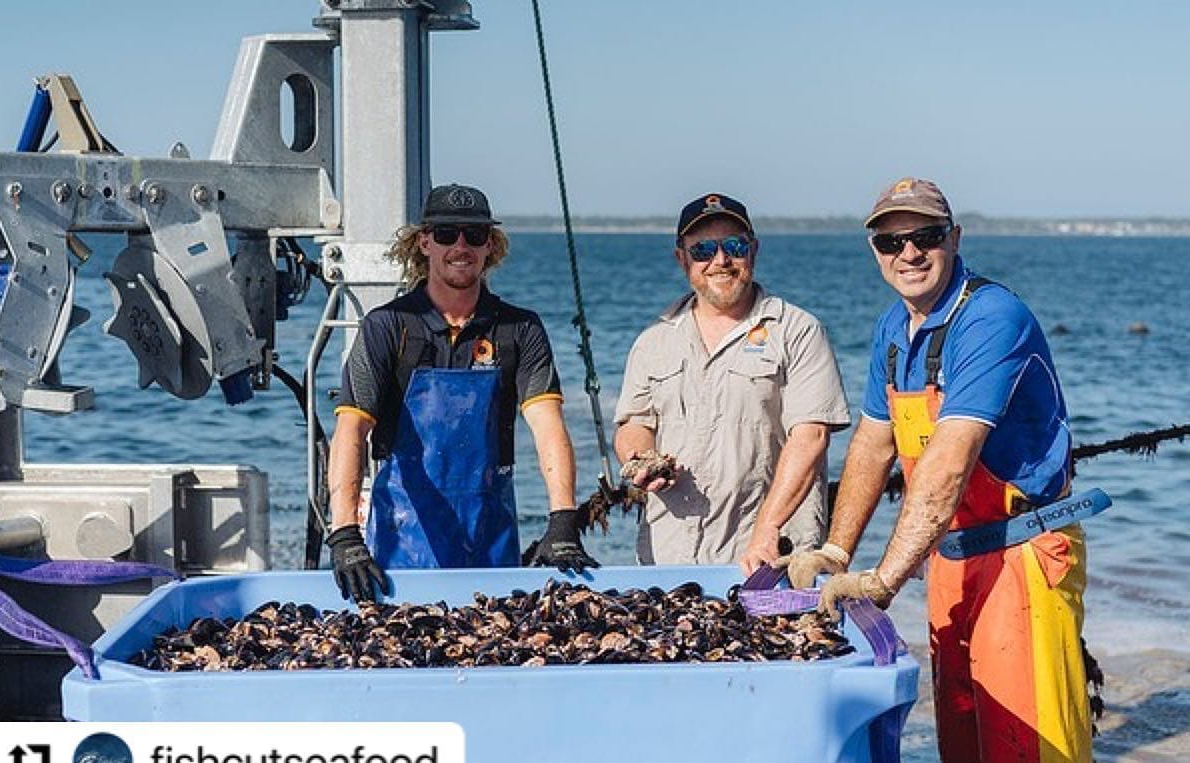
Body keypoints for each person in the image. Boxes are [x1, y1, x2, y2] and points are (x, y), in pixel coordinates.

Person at [783, 177, 1093, 763]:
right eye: (890, 241)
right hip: (949, 557)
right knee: (965, 752)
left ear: (954, 238)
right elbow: (873, 444)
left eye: (925, 235)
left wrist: (883, 581)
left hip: (1023, 555)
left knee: (1030, 760)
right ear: (874, 250)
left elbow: (949, 462)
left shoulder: (991, 317)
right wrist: (837, 552)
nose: (909, 253)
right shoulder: (893, 330)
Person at [325, 183, 597, 601]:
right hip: (403, 530)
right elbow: (351, 429)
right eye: (447, 233)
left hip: (491, 527)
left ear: (490, 245)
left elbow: (548, 427)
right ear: (425, 242)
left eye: (474, 234)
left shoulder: (520, 329)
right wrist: (345, 534)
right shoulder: (386, 326)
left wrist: (563, 520)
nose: (461, 246)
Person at [613, 193, 850, 567]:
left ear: (754, 250)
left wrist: (767, 529)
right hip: (668, 554)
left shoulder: (798, 331)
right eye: (703, 250)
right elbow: (634, 424)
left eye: (734, 246)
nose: (720, 260)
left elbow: (812, 438)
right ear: (682, 258)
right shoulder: (652, 340)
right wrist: (640, 460)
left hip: (770, 555)